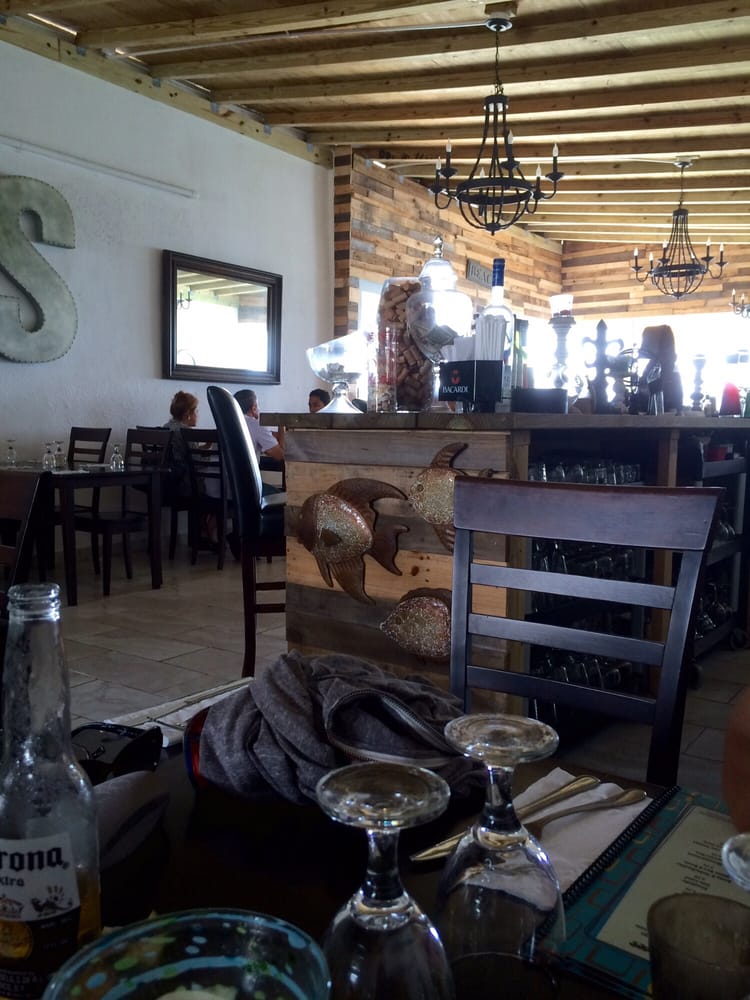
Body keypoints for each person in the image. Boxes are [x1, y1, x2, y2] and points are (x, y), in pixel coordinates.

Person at [162, 390, 199, 499]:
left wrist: (204, 447)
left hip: (166, 479)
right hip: (183, 482)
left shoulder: (166, 426)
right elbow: (196, 461)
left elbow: (181, 450)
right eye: (196, 411)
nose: (197, 415)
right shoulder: (186, 432)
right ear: (188, 414)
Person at [234, 389, 284, 463]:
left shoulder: (227, 422)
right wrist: (282, 426)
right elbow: (279, 455)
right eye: (258, 406)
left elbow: (267, 447)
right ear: (254, 408)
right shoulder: (256, 425)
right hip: (245, 470)